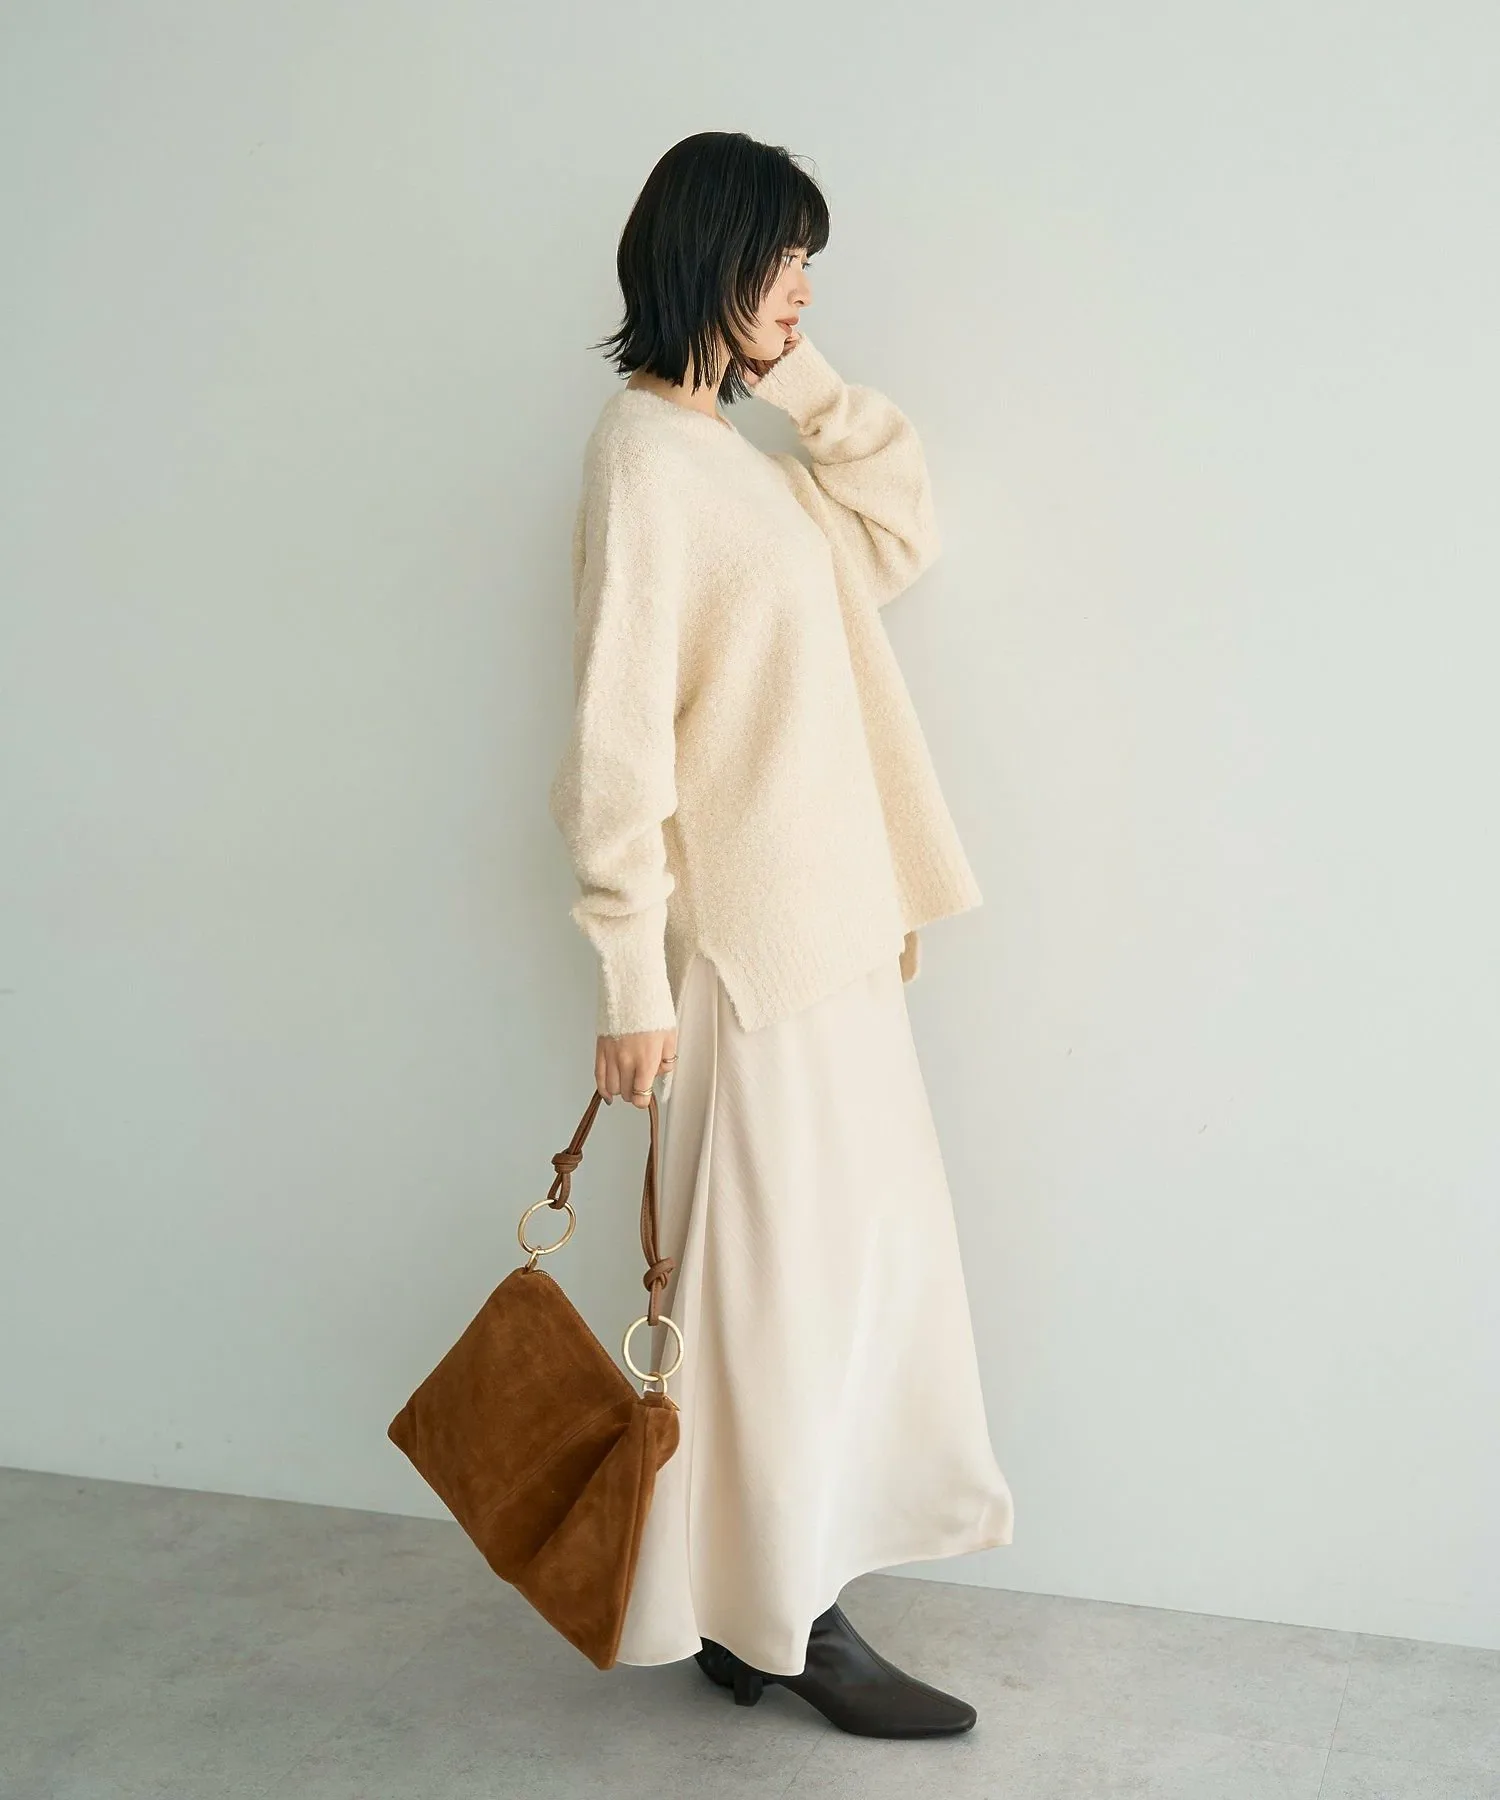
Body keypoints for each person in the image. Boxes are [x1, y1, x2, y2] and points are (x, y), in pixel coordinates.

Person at [547, 131, 1014, 1740]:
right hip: (745, 964)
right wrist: (630, 977)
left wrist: (797, 382)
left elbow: (899, 527)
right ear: (709, 255)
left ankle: (755, 1604)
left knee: (842, 1283)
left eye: (813, 266)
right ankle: (789, 1621)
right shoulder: (641, 460)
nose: (803, 291)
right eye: (782, 262)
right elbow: (614, 750)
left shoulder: (736, 461)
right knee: (778, 1302)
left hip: (831, 941)